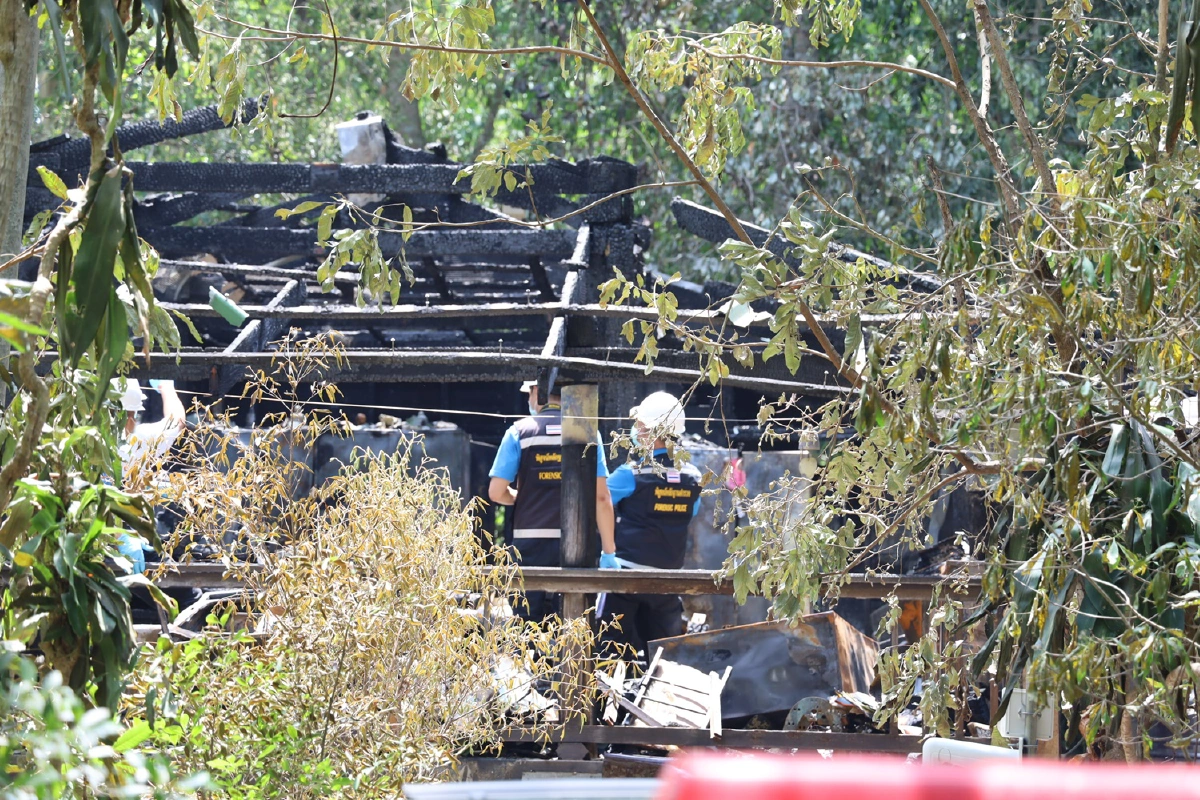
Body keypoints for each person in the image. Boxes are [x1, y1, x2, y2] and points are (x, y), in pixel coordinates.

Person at [488, 374, 616, 621]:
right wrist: (609, 553)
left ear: (537, 392)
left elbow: (495, 492)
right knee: (572, 625)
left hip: (529, 545)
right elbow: (601, 497)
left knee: (527, 627)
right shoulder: (588, 431)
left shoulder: (519, 432)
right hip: (577, 546)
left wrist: (521, 497)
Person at [600, 391, 702, 660]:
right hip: (667, 582)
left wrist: (607, 553)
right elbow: (692, 512)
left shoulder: (630, 474)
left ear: (649, 431)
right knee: (661, 660)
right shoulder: (693, 476)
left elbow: (599, 503)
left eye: (639, 425)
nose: (635, 430)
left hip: (626, 579)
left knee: (609, 655)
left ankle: (606, 704)